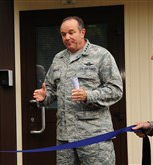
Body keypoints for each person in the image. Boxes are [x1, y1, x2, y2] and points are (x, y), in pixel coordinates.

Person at [33, 16, 123, 165]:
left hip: (94, 138)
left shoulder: (101, 55)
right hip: (65, 139)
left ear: (82, 32)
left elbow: (116, 90)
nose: (67, 37)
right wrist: (44, 97)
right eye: (63, 34)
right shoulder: (58, 59)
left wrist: (89, 95)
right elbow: (51, 90)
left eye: (71, 32)